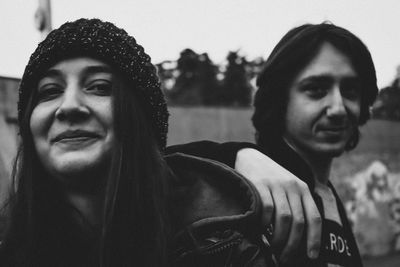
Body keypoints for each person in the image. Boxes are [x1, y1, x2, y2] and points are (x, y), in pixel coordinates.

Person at [0, 18, 280, 266]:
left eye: (99, 87)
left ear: (141, 120)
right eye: (50, 91)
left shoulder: (224, 249)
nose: (69, 106)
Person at [168, 22, 378, 266]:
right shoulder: (248, 184)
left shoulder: (328, 192)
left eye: (350, 91)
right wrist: (237, 154)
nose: (338, 108)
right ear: (280, 99)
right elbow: (149, 167)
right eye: (316, 89)